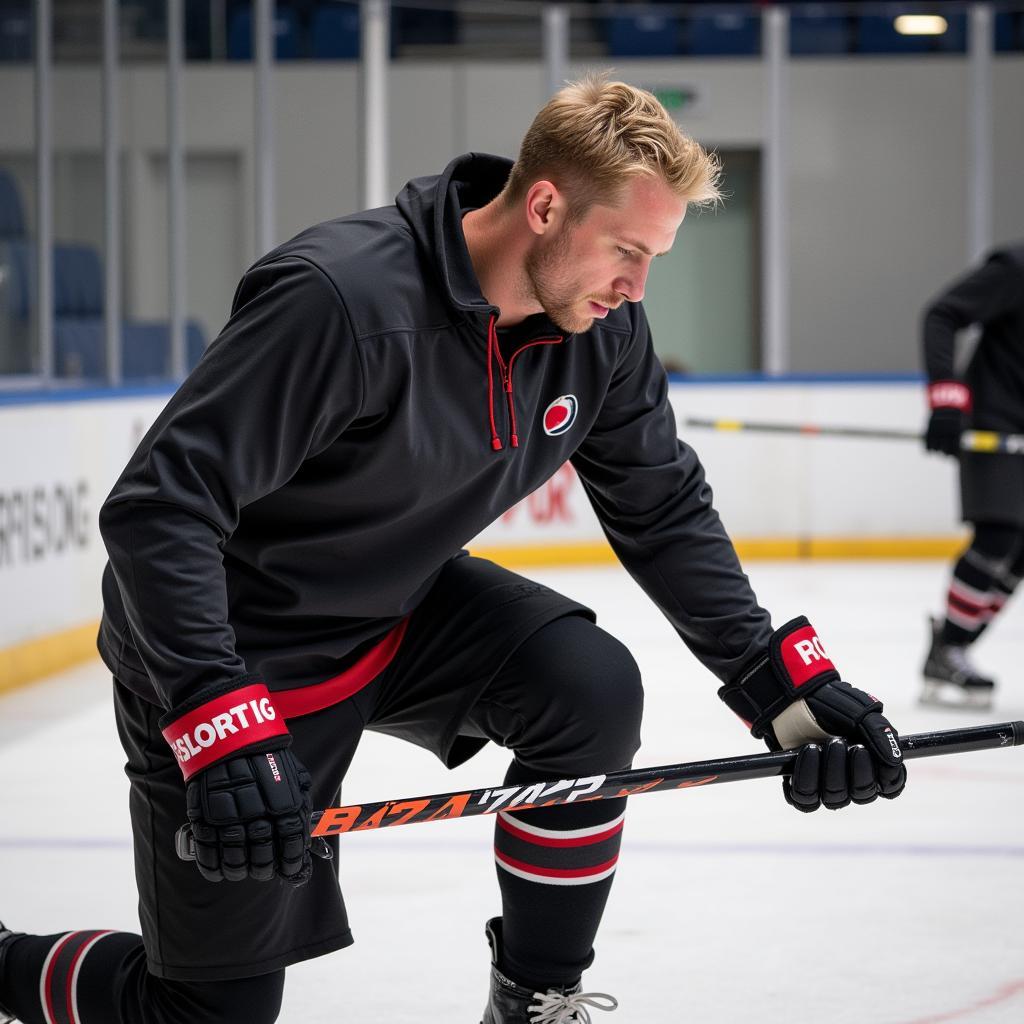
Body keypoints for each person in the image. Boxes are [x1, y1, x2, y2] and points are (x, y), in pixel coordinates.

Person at [0, 76, 906, 1024]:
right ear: (546, 205)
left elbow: (663, 509)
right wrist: (214, 714)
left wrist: (781, 686)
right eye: (628, 252)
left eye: (653, 259)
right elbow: (158, 508)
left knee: (589, 688)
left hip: (398, 611)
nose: (638, 288)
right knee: (204, 1014)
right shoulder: (341, 300)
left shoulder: (601, 332)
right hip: (234, 649)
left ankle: (535, 1000)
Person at [921, 242, 1024, 710]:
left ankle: (952, 644)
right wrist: (946, 397)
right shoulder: (1016, 267)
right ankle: (951, 648)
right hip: (993, 420)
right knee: (999, 533)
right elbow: (942, 314)